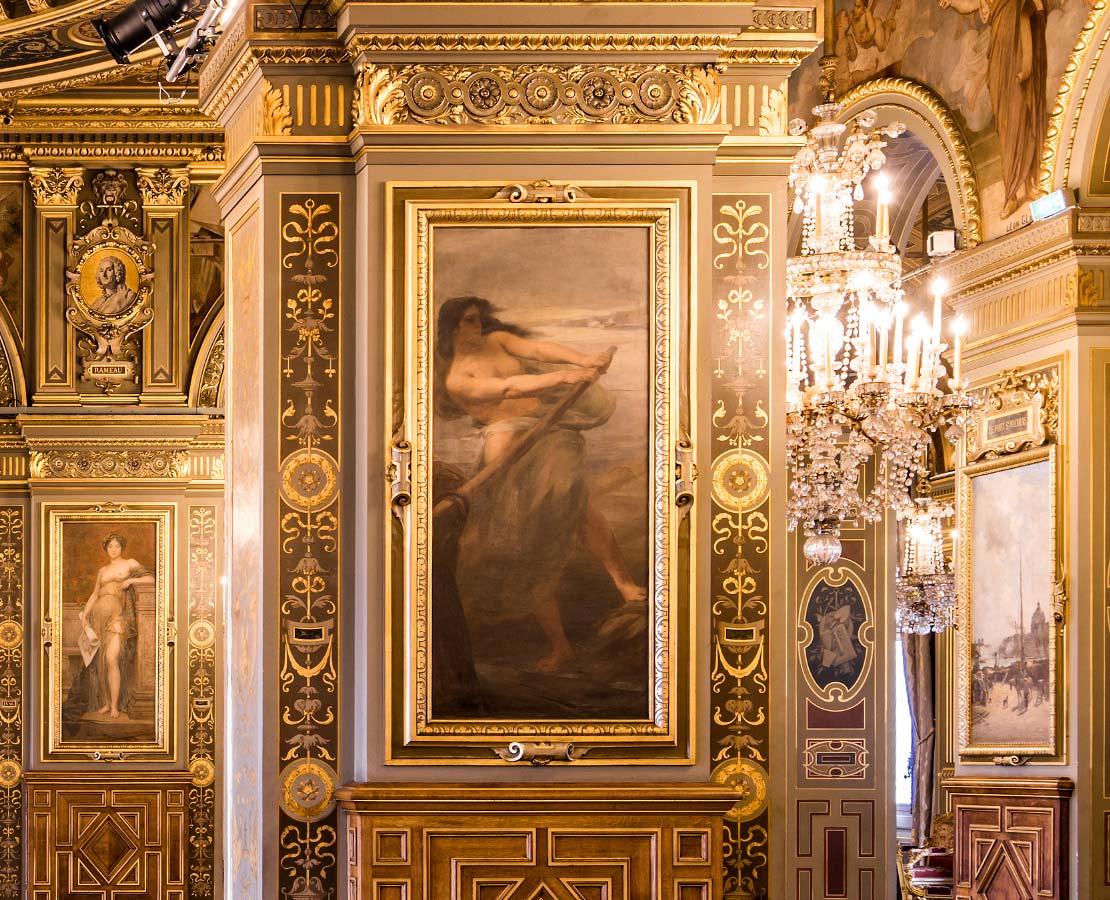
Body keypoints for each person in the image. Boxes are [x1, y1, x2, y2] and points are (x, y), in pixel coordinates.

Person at [436, 296, 646, 672]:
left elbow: (536, 348)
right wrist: (564, 377)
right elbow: (509, 388)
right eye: (470, 320)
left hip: (549, 431)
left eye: (478, 318)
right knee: (528, 539)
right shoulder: (458, 378)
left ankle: (624, 584)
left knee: (577, 505)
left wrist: (581, 361)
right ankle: (560, 645)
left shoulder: (496, 340)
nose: (479, 324)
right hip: (510, 446)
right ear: (453, 327)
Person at [940, 0, 1047, 217]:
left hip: (1016, 46)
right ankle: (1012, 191)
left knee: (1023, 114)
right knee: (1007, 124)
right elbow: (969, 5)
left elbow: (1034, 9)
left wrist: (1026, 63)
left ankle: (1032, 182)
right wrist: (951, 2)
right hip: (999, 53)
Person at [78, 533, 153, 719]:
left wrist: (132, 580)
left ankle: (114, 706)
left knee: (112, 658)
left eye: (117, 546)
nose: (113, 549)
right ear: (106, 549)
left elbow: (152, 579)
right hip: (97, 619)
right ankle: (105, 702)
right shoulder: (103, 570)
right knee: (101, 662)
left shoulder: (129, 563)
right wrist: (84, 616)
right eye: (110, 546)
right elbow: (95, 594)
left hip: (118, 617)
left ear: (121, 548)